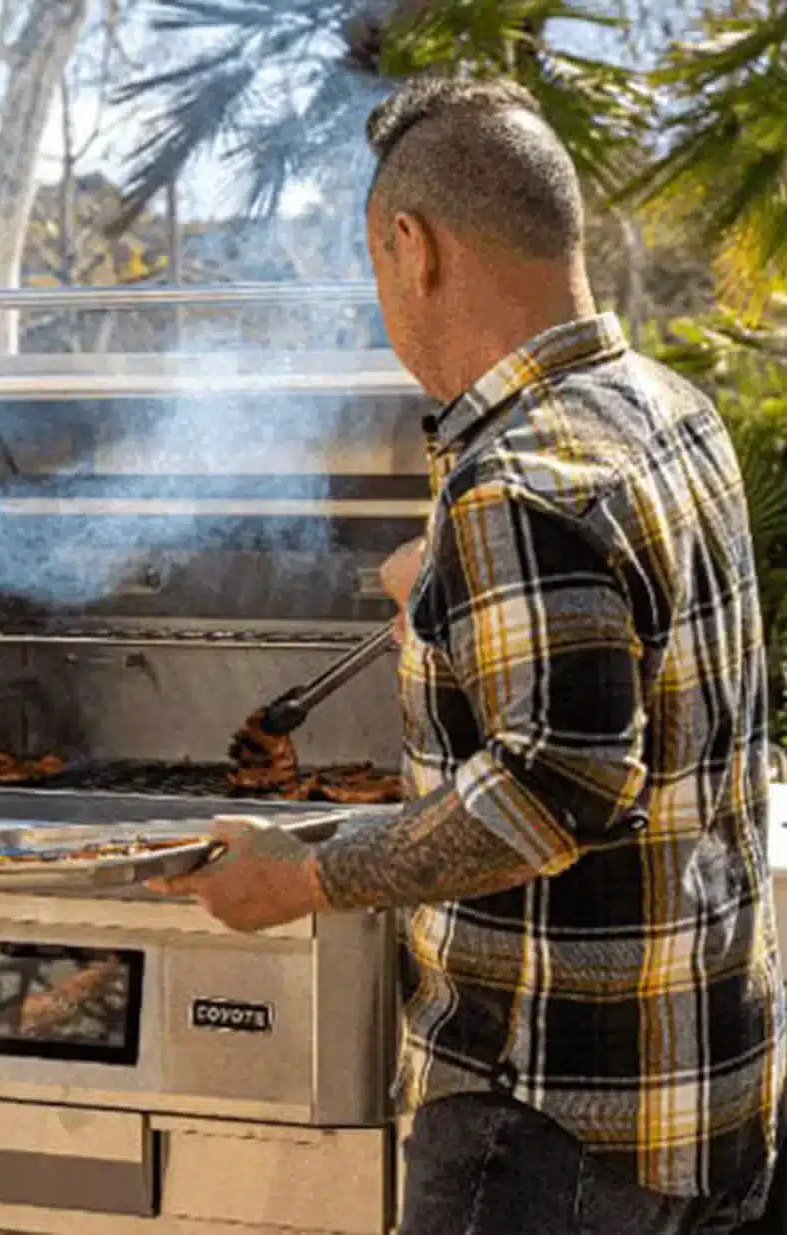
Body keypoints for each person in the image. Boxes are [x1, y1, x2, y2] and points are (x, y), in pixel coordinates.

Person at [147, 76, 786, 1233]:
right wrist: (443, 581)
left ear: (412, 245)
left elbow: (552, 789)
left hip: (547, 1124)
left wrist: (301, 873)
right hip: (708, 1089)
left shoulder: (515, 481)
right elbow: (637, 664)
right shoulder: (674, 412)